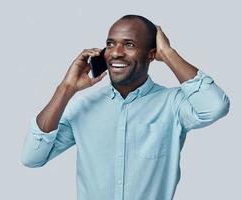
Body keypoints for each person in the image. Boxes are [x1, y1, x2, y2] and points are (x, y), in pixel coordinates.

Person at [21, 15, 230, 200]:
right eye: (110, 44)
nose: (116, 53)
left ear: (151, 54)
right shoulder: (83, 107)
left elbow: (215, 106)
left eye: (129, 44)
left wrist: (168, 53)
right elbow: (32, 157)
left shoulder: (172, 104)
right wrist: (66, 88)